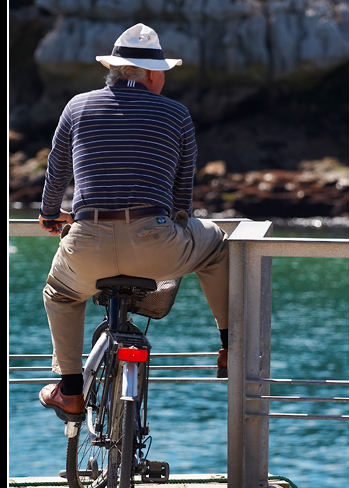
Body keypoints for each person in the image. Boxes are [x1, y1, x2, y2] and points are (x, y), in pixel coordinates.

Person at [38, 23, 229, 422]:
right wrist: (173, 226)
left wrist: (49, 214)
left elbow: (56, 173)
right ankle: (230, 342)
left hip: (86, 244)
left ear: (113, 70)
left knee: (59, 293)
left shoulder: (78, 106)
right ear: (154, 74)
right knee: (216, 246)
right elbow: (182, 198)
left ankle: (71, 391)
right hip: (156, 246)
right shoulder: (177, 114)